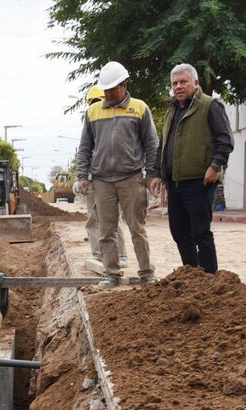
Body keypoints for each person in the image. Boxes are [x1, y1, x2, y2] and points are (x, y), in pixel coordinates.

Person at [76, 61, 160, 288]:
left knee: (137, 229)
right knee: (106, 231)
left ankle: (146, 273)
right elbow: (85, 147)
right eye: (105, 89)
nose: (109, 93)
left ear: (124, 85)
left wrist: (151, 174)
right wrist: (82, 176)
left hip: (131, 178)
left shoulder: (139, 108)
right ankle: (111, 274)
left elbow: (151, 143)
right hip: (102, 181)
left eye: (112, 89)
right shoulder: (92, 112)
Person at [154, 63, 234, 274]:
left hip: (200, 181)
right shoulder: (172, 110)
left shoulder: (210, 106)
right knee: (179, 232)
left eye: (183, 82)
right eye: (175, 83)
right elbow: (163, 145)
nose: (178, 86)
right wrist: (157, 174)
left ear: (195, 83)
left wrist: (215, 166)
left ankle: (209, 277)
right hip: (175, 183)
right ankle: (192, 275)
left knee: (200, 232)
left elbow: (224, 140)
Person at [81, 85, 130, 269]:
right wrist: (82, 176)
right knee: (93, 217)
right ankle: (98, 254)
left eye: (98, 101)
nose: (96, 106)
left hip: (111, 177)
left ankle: (121, 254)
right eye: (92, 102)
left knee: (112, 216)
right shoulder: (90, 121)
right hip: (94, 177)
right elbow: (84, 151)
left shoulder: (115, 121)